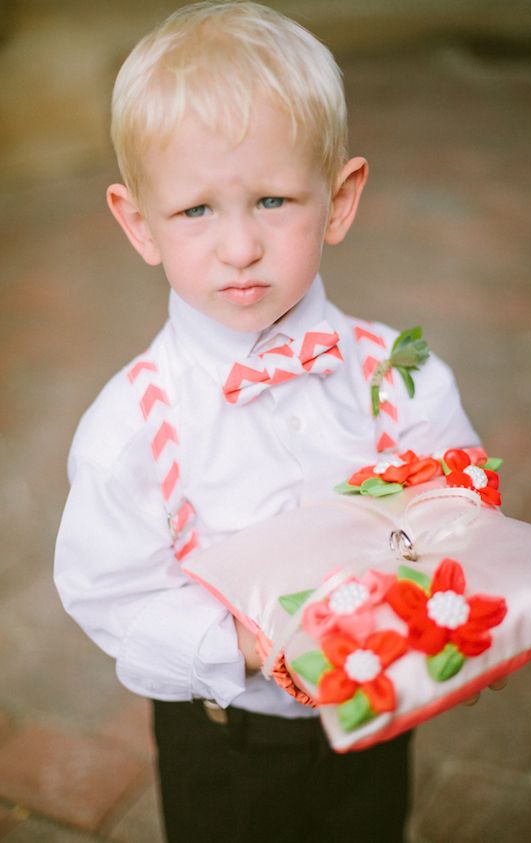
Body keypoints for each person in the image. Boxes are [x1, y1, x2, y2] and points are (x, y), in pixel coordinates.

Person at [54, 3, 482, 841]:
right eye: (196, 211)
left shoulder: (402, 374)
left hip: (377, 709)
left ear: (340, 199)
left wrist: (461, 586)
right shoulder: (131, 430)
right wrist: (243, 642)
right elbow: (111, 595)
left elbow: (453, 496)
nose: (240, 245)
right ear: (140, 223)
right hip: (227, 738)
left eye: (273, 199)